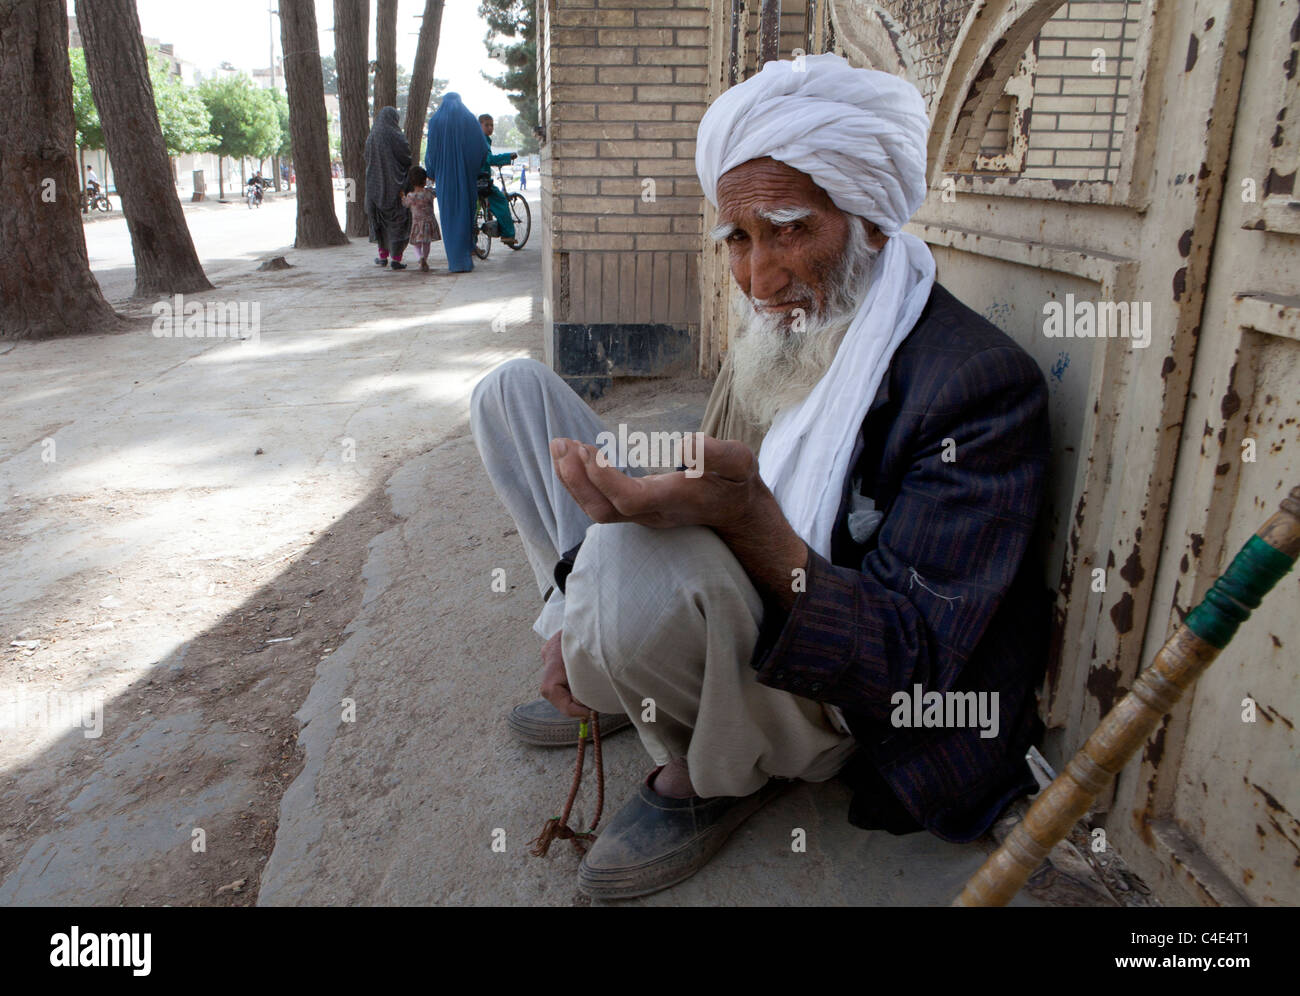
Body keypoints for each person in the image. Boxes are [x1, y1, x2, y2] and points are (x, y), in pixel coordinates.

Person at [470, 54, 1051, 900]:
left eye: (791, 229)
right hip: (733, 594)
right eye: (739, 238)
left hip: (821, 678)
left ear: (873, 221)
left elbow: (910, 669)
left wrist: (744, 522)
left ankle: (711, 773)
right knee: (512, 396)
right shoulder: (777, 326)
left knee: (628, 564)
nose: (760, 277)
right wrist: (576, 593)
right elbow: (707, 460)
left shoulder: (975, 388)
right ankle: (612, 666)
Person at [424, 93, 487, 273]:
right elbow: (481, 147)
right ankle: (465, 258)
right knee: (466, 214)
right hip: (466, 177)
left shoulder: (436, 121)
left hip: (445, 178)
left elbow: (431, 150)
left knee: (449, 216)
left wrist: (432, 171)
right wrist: (473, 167)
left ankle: (455, 261)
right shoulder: (468, 118)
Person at [365, 106, 412, 270]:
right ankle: (396, 258)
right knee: (398, 222)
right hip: (395, 186)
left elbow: (367, 159)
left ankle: (382, 256)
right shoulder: (395, 135)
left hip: (374, 188)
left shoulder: (371, 137)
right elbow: (406, 156)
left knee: (380, 222)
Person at [477, 114, 518, 247]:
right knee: (501, 201)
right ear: (480, 125)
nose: (490, 128)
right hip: (481, 180)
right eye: (487, 125)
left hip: (470, 180)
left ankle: (472, 245)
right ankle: (507, 235)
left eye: (492, 125)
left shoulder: (477, 139)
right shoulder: (482, 140)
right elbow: (489, 159)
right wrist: (507, 156)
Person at [401, 165, 441, 273]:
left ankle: (420, 258)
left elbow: (405, 204)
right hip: (429, 222)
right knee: (427, 243)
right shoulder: (429, 193)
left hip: (417, 223)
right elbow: (436, 196)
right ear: (425, 180)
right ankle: (425, 258)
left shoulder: (411, 196)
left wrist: (402, 197)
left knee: (417, 245)